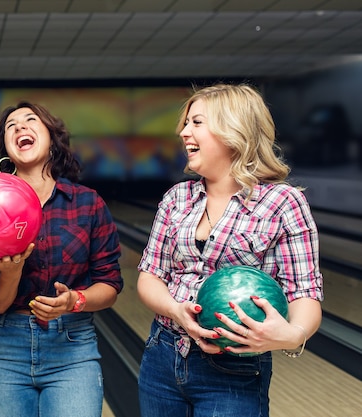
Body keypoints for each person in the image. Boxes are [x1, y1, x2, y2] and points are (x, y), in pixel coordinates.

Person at [136, 83, 324, 417]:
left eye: (196, 122)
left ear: (232, 130)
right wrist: (176, 310)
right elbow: (150, 276)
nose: (183, 132)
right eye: (185, 123)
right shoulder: (177, 198)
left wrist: (292, 335)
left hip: (234, 368)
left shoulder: (283, 203)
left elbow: (304, 292)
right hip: (163, 354)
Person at [0, 101, 123, 417]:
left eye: (31, 120)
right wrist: (11, 272)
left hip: (73, 347)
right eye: (10, 126)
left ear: (51, 137)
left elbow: (110, 285)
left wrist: (75, 300)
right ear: (5, 146)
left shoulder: (87, 203)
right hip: (7, 348)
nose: (19, 127)